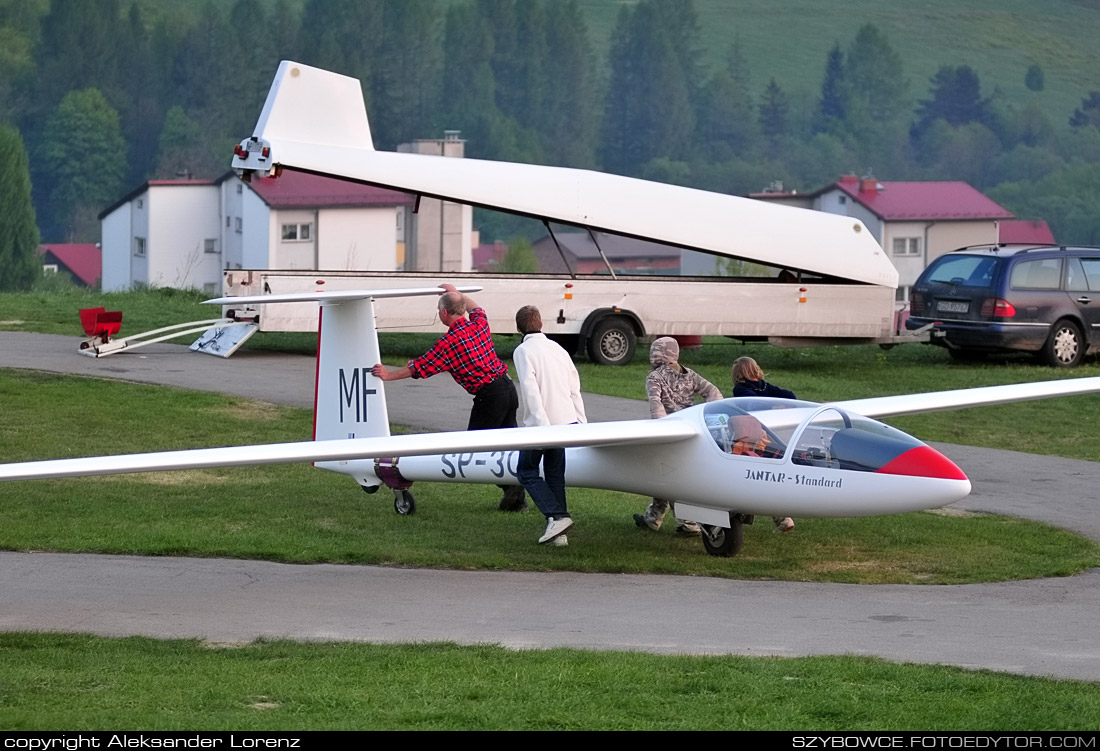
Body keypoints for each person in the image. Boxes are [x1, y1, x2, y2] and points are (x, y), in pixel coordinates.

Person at [371, 283, 527, 512]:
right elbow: (478, 309)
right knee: (508, 447)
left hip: (490, 397)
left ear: (444, 313)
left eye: (439, 309)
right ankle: (517, 498)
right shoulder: (479, 325)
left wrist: (387, 375)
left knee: (476, 450)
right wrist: (457, 293)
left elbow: (419, 367)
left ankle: (514, 492)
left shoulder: (449, 343)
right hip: (508, 388)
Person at [512, 305, 587, 547]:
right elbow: (574, 386)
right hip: (566, 421)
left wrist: (542, 426)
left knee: (526, 470)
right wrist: (581, 422)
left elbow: (530, 390)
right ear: (541, 324)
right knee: (555, 475)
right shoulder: (558, 349)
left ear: (518, 327)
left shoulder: (523, 351)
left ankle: (557, 517)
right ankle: (559, 533)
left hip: (541, 425)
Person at [633, 336, 722, 537]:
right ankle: (652, 518)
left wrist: (662, 430)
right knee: (662, 474)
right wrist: (707, 417)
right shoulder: (689, 375)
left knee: (669, 477)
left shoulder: (655, 377)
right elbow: (714, 393)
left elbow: (656, 405)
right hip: (689, 430)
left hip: (669, 433)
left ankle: (689, 524)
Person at [731, 356, 796, 533]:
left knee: (751, 477)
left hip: (753, 438)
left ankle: (779, 517)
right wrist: (777, 405)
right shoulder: (765, 387)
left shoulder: (741, 388)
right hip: (771, 437)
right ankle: (782, 516)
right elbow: (790, 396)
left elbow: (750, 403)